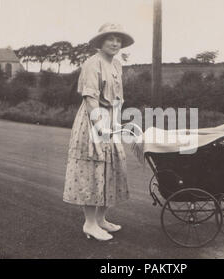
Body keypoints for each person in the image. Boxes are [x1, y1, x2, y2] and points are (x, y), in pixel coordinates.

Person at [63, 23, 134, 241]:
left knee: (110, 170)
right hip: (94, 122)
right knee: (93, 171)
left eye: (118, 40)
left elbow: (117, 98)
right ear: (100, 42)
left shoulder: (117, 65)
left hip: (110, 119)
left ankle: (102, 219)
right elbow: (91, 99)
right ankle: (90, 224)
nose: (115, 43)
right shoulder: (92, 64)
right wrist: (100, 127)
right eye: (110, 39)